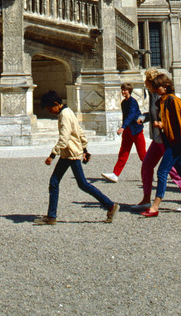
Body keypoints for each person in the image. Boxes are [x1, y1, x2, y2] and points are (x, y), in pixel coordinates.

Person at [34, 90, 119, 225]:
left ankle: (110, 205)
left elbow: (64, 138)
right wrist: (84, 149)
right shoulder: (68, 111)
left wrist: (52, 155)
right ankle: (51, 216)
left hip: (71, 155)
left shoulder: (64, 115)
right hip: (69, 153)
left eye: (50, 108)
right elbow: (79, 131)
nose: (49, 111)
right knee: (56, 182)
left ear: (56, 104)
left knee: (81, 184)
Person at [140, 74, 181, 217]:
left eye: (158, 86)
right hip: (170, 141)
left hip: (175, 142)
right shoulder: (163, 101)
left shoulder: (172, 101)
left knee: (162, 171)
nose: (156, 89)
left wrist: (162, 125)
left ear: (166, 86)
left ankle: (155, 207)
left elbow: (180, 122)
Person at [133, 69, 181, 211]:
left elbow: (165, 117)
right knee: (147, 165)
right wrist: (143, 118)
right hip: (157, 138)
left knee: (172, 170)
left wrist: (160, 124)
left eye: (146, 81)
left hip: (165, 138)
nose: (145, 83)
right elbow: (153, 114)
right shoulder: (153, 95)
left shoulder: (161, 96)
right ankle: (146, 198)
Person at [101, 83, 146, 183]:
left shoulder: (133, 102)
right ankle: (115, 174)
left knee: (142, 155)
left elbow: (131, 115)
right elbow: (125, 117)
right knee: (123, 152)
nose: (123, 92)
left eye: (125, 90)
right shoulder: (123, 103)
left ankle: (149, 174)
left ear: (129, 91)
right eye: (122, 90)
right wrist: (124, 127)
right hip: (128, 131)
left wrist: (123, 127)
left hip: (136, 130)